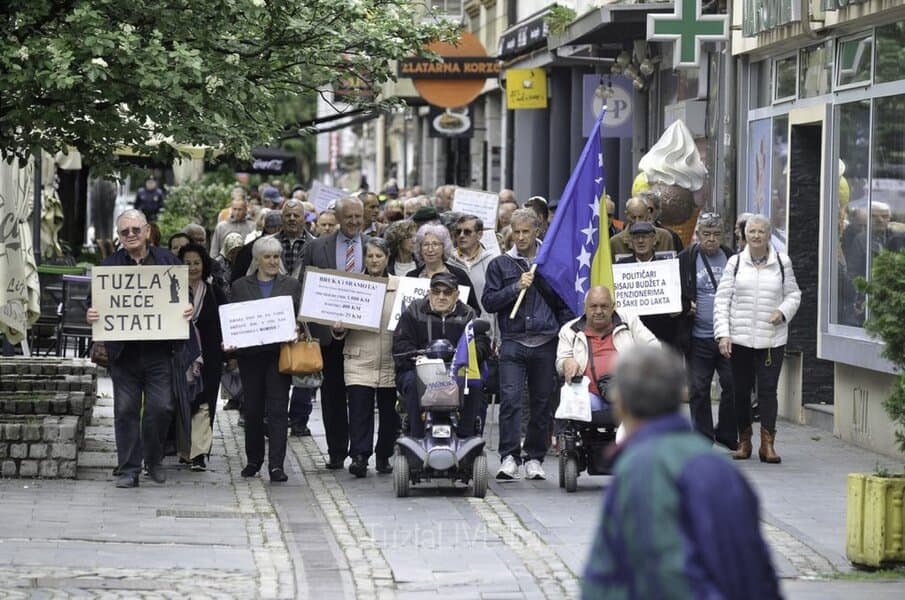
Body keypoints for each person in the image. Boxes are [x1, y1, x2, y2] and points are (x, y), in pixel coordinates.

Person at [581, 345, 780, 600]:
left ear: (621, 403)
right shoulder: (723, 469)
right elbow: (758, 570)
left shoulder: (640, 469)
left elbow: (649, 574)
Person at [86, 209, 193, 488]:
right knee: (125, 411)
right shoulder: (109, 266)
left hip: (160, 352)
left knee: (162, 408)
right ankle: (129, 470)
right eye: (125, 231)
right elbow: (93, 302)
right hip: (124, 354)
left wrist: (188, 308)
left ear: (147, 231)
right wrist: (92, 314)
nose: (131, 235)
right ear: (118, 236)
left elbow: (186, 296)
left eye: (136, 230)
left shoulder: (168, 262)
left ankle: (153, 459)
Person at [482, 208, 575, 481]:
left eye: (526, 231)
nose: (521, 237)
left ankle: (534, 457)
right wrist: (515, 288)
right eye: (516, 232)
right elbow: (489, 301)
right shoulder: (500, 264)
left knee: (541, 402)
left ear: (537, 231)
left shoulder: (551, 262)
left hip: (546, 341)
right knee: (510, 400)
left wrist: (563, 334)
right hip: (513, 340)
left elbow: (565, 302)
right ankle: (509, 456)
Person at [714, 214, 801, 464]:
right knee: (740, 391)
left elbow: (794, 295)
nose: (756, 236)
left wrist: (782, 312)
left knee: (768, 391)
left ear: (768, 235)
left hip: (771, 340)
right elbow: (722, 300)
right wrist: (723, 334)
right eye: (751, 231)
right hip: (740, 339)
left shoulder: (782, 263)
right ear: (745, 235)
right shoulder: (735, 263)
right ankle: (744, 441)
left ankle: (767, 444)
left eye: (761, 231)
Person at [299, 196, 365, 469]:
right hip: (328, 336)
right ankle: (337, 451)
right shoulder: (317, 247)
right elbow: (304, 286)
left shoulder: (375, 246)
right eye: (348, 217)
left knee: (361, 395)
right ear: (337, 218)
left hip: (364, 335)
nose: (354, 221)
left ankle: (361, 452)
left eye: (358, 217)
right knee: (333, 394)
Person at [229, 236, 302, 482]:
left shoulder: (291, 285)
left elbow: (300, 317)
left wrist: (297, 329)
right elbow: (233, 319)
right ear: (257, 259)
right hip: (250, 357)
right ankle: (253, 460)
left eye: (276, 257)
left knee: (278, 410)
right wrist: (230, 346)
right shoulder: (240, 286)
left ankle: (276, 466)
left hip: (279, 356)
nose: (272, 261)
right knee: (252, 410)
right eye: (267, 257)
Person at [333, 237, 401, 477]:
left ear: (387, 258)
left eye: (379, 256)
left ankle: (384, 455)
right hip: (359, 357)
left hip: (390, 359)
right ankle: (359, 457)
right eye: (370, 256)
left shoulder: (400, 286)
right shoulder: (353, 286)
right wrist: (338, 328)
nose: (374, 260)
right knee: (359, 411)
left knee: (389, 414)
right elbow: (339, 327)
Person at [393, 272, 491, 438]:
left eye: (447, 292)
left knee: (474, 384)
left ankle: (466, 437)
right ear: (429, 292)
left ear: (457, 295)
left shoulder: (468, 314)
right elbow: (400, 343)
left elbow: (482, 343)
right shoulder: (414, 311)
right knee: (411, 382)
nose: (441, 296)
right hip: (420, 370)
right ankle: (416, 436)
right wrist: (418, 357)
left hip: (458, 370)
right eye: (436, 291)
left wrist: (466, 354)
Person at [678, 212, 737, 450]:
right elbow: (674, 290)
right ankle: (702, 437)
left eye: (716, 234)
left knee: (732, 385)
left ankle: (726, 432)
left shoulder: (732, 259)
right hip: (697, 337)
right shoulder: (686, 259)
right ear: (698, 235)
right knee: (699, 389)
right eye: (706, 234)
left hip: (728, 336)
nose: (711, 239)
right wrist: (685, 305)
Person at [556, 286, 659, 403]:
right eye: (593, 306)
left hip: (629, 392)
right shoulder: (569, 330)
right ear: (584, 307)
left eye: (604, 306)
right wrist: (566, 362)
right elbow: (560, 362)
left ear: (613, 307)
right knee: (580, 403)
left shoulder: (629, 321)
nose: (598, 311)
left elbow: (654, 348)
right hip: (588, 395)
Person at [178, 243, 226, 471]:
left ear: (204, 264)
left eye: (196, 262)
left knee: (204, 404)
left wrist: (230, 354)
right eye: (187, 263)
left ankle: (199, 454)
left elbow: (226, 321)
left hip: (209, 357)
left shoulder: (214, 291)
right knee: (181, 403)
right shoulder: (171, 291)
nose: (192, 267)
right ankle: (183, 449)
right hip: (180, 356)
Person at [616, 221, 681, 348]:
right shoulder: (620, 267)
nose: (641, 241)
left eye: (645, 237)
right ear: (630, 242)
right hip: (631, 336)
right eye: (636, 237)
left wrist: (677, 308)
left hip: (663, 333)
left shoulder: (667, 267)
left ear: (654, 240)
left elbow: (681, 300)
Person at [405, 223, 482, 314]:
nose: (430, 249)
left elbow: (475, 311)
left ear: (444, 247)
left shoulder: (459, 275)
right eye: (425, 244)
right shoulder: (411, 276)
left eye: (435, 244)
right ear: (420, 249)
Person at [610, 196, 675, 258]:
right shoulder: (616, 242)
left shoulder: (664, 237)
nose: (637, 221)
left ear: (648, 214)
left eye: (641, 217)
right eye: (633, 217)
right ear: (627, 215)